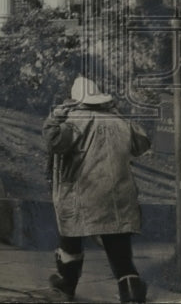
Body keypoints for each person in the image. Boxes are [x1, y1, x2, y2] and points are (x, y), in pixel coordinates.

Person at [43, 76, 151, 304]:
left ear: (75, 99)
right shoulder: (120, 121)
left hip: (83, 192)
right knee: (118, 246)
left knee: (71, 239)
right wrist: (118, 113)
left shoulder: (74, 120)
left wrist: (56, 115)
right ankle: (131, 291)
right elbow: (142, 143)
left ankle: (67, 285)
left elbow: (54, 142)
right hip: (119, 194)